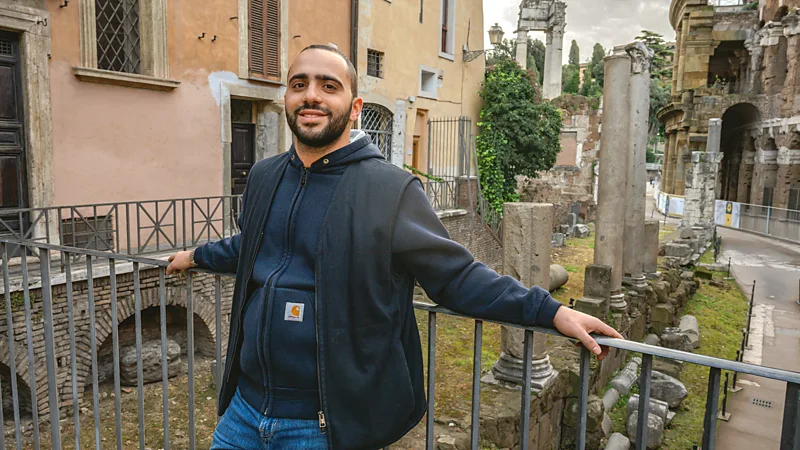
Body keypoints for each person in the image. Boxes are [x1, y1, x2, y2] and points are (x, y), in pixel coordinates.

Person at [167, 44, 623, 450]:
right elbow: (252, 247)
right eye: (299, 84)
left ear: (355, 106)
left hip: (323, 425)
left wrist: (551, 312)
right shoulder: (265, 176)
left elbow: (457, 276)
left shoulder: (392, 190)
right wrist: (194, 256)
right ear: (286, 98)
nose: (312, 95)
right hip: (244, 412)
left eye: (329, 86)